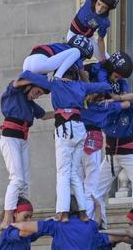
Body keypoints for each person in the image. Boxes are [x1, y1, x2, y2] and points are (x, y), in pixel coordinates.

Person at [17, 70, 117, 222]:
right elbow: (104, 86)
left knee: (63, 173)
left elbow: (28, 74)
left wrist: (49, 76)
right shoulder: (80, 86)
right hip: (79, 129)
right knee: (74, 175)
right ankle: (83, 212)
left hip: (65, 129)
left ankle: (62, 212)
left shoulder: (56, 83)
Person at [87, 52, 133, 214]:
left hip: (128, 151)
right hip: (110, 154)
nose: (116, 79)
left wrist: (115, 98)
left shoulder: (123, 98)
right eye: (115, 76)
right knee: (96, 192)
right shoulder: (101, 101)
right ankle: (99, 225)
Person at [0, 74, 56, 229]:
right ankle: (8, 217)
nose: (36, 96)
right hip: (10, 139)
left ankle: (21, 212)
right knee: (16, 178)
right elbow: (17, 82)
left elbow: (44, 116)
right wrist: (38, 79)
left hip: (22, 140)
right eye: (37, 92)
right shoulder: (15, 92)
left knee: (24, 182)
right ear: (30, 86)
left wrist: (66, 112)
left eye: (39, 95)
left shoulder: (30, 103)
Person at [69, 0, 121, 65]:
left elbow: (100, 40)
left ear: (109, 9)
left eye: (104, 7)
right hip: (73, 34)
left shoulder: (104, 21)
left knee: (107, 61)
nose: (99, 9)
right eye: (99, 4)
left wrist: (102, 58)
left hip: (88, 38)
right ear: (96, 0)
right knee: (73, 58)